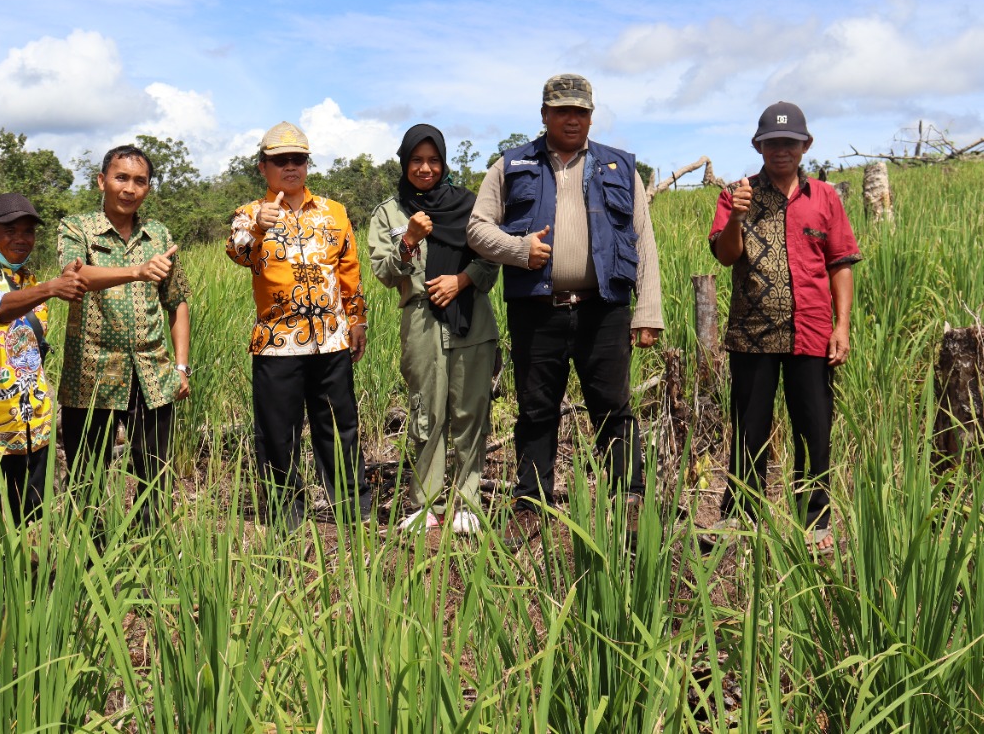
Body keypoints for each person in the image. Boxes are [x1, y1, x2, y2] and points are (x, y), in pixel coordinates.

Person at [467, 74, 664, 531]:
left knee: (613, 408)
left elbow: (644, 241)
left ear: (592, 116)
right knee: (536, 410)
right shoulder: (511, 165)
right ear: (544, 115)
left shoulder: (619, 168)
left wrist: (647, 311)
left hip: (605, 309)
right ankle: (531, 505)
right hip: (537, 309)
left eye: (580, 111)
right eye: (562, 111)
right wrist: (518, 250)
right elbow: (477, 229)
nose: (571, 118)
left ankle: (629, 504)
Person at [705, 102, 859, 553]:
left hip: (811, 330)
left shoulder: (826, 197)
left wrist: (842, 326)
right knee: (748, 426)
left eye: (790, 143)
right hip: (753, 333)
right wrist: (737, 216)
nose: (781, 151)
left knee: (814, 425)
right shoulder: (739, 193)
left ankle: (815, 522)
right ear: (759, 146)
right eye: (772, 143)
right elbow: (725, 256)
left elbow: (841, 263)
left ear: (805, 146)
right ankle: (741, 515)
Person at [226, 121, 371, 531]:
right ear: (263, 166)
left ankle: (352, 510)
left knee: (339, 426)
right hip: (277, 343)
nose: (291, 167)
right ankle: (286, 515)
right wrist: (257, 226)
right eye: (280, 160)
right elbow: (236, 253)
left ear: (307, 164)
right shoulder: (249, 214)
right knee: (277, 434)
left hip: (331, 340)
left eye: (299, 159)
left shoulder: (333, 212)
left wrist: (357, 320)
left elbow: (348, 271)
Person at [369, 124, 499, 535]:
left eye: (433, 160)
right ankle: (426, 502)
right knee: (426, 412)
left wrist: (461, 280)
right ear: (405, 163)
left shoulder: (470, 206)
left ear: (443, 163)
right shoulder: (390, 212)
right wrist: (408, 241)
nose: (425, 169)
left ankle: (467, 503)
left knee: (470, 411)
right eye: (416, 161)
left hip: (471, 318)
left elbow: (492, 256)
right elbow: (385, 274)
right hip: (421, 321)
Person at [58, 144, 191, 532]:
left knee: (154, 476)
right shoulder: (77, 228)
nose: (129, 188)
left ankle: (150, 560)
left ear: (148, 188)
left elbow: (177, 301)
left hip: (153, 374)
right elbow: (75, 277)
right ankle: (84, 564)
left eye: (139, 181)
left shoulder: (159, 234)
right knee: (87, 479)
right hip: (92, 375)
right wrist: (136, 270)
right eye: (121, 178)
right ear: (102, 181)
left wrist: (181, 366)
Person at [0, 193, 86, 533]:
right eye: (9, 230)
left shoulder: (32, 283)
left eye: (28, 231)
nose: (21, 238)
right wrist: (52, 288)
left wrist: (54, 284)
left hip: (33, 431)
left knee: (29, 532)